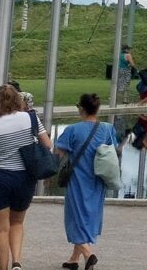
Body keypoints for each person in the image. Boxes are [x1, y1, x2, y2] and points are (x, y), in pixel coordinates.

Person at [0, 84, 52, 270]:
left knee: (0, 229)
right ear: (18, 100)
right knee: (17, 222)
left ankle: (3, 268)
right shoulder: (31, 118)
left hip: (0, 177)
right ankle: (17, 261)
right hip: (25, 178)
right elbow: (47, 144)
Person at [54, 93, 117, 270]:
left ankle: (89, 255)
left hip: (78, 180)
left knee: (75, 218)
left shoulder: (72, 130)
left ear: (81, 108)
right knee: (88, 217)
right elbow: (114, 150)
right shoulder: (108, 129)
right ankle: (73, 260)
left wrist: (49, 174)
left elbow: (58, 154)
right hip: (98, 180)